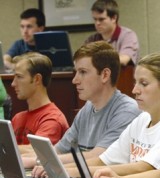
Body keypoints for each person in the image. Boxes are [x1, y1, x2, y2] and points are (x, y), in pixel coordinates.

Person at [44, 53, 160, 178]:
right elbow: (103, 161)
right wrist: (58, 169)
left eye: (143, 84)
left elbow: (144, 168)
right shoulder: (142, 119)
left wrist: (70, 172)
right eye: (135, 82)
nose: (135, 90)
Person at [25, 41, 141, 170]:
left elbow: (98, 157)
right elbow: (59, 150)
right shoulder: (87, 108)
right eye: (76, 72)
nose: (75, 80)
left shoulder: (127, 111)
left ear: (105, 75)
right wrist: (23, 159)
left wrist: (35, 162)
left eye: (83, 72)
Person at [84, 0, 139, 66]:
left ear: (114, 18)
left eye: (101, 19)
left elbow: (124, 59)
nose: (97, 23)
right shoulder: (92, 39)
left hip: (123, 75)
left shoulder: (128, 35)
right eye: (95, 19)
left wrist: (95, 60)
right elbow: (82, 60)